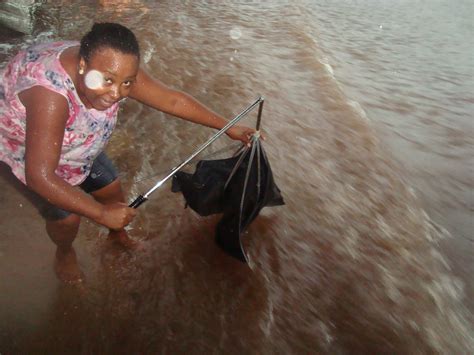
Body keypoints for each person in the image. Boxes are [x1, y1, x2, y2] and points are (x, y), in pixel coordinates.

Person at [0, 22, 255, 283]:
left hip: (77, 138)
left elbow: (172, 100)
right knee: (67, 219)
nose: (116, 93)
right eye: (107, 80)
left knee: (111, 188)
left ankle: (117, 235)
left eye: (127, 83)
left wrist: (228, 126)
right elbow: (40, 176)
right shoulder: (50, 96)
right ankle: (64, 252)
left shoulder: (115, 69)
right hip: (22, 145)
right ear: (82, 66)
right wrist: (100, 214)